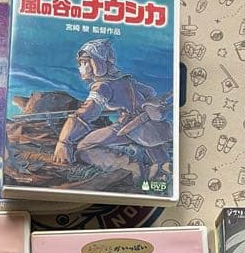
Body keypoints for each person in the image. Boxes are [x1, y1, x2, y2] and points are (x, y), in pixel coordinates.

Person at [52, 39, 172, 181]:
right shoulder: (126, 80)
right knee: (158, 155)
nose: (80, 68)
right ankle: (160, 166)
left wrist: (64, 142)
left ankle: (130, 166)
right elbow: (150, 91)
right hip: (151, 126)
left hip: (129, 127)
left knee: (84, 147)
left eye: (83, 62)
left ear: (96, 63)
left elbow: (86, 114)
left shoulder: (102, 86)